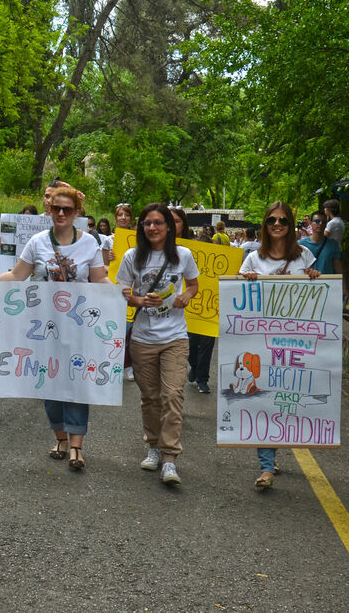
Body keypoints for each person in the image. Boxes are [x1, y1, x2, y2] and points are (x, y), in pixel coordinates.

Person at [0, 184, 109, 470]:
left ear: (76, 212)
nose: (60, 213)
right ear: (49, 209)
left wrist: (121, 294)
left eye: (67, 209)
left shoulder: (89, 244)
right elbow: (17, 275)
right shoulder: (37, 242)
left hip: (78, 327)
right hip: (44, 327)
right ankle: (59, 436)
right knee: (49, 383)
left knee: (77, 385)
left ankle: (76, 446)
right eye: (56, 208)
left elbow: (99, 280)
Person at [117, 203, 200, 485]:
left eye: (158, 222)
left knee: (173, 396)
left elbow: (193, 285)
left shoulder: (183, 255)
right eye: (147, 223)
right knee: (151, 398)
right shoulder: (132, 256)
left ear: (169, 226)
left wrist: (186, 297)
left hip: (175, 336)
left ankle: (169, 458)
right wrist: (139, 300)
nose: (152, 227)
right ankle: (152, 447)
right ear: (142, 227)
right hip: (143, 338)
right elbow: (123, 290)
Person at [240, 201, 320, 488]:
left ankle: (272, 448)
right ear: (265, 223)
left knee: (285, 400)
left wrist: (314, 277)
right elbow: (239, 298)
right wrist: (244, 279)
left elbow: (316, 297)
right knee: (265, 398)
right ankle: (265, 467)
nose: (277, 224)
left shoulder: (305, 257)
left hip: (294, 344)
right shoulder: (252, 259)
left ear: (290, 225)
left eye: (283, 220)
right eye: (272, 219)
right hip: (260, 341)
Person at [171, 208, 214, 395]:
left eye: (177, 221)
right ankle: (195, 367)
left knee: (207, 341)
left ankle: (202, 378)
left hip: (206, 301)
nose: (172, 225)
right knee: (190, 343)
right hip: (178, 307)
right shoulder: (154, 245)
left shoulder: (194, 247)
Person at [299, 210, 343, 276]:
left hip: (327, 284)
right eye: (316, 221)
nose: (320, 224)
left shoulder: (333, 244)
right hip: (307, 284)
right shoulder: (300, 244)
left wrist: (341, 284)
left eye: (323, 222)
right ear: (311, 223)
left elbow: (338, 269)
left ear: (326, 224)